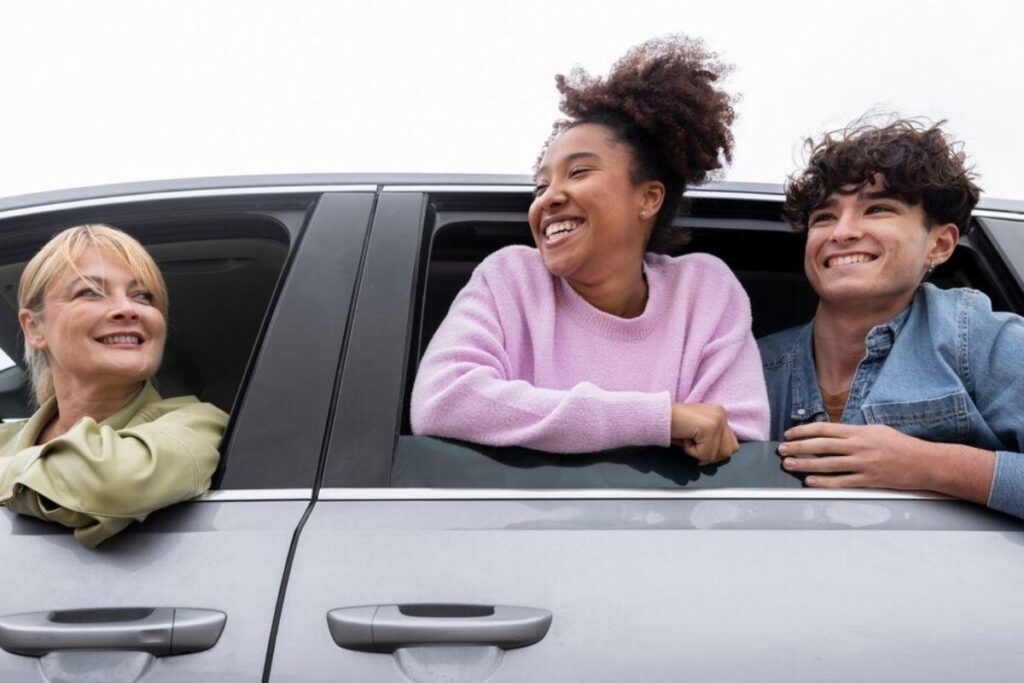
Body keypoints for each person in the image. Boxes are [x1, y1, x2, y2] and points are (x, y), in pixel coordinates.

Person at [411, 35, 769, 463]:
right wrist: (659, 419)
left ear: (648, 198)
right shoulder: (509, 276)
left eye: (578, 172)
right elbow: (443, 399)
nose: (549, 198)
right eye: (541, 186)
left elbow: (736, 439)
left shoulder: (704, 290)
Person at [759, 118, 1024, 518]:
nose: (842, 232)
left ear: (940, 244)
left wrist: (929, 465)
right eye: (824, 217)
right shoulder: (756, 365)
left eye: (877, 209)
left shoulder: (982, 339)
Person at [0, 224, 228, 547]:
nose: (127, 309)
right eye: (90, 292)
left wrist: (9, 469)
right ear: (34, 328)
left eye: (142, 296)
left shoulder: (199, 425)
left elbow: (116, 482)